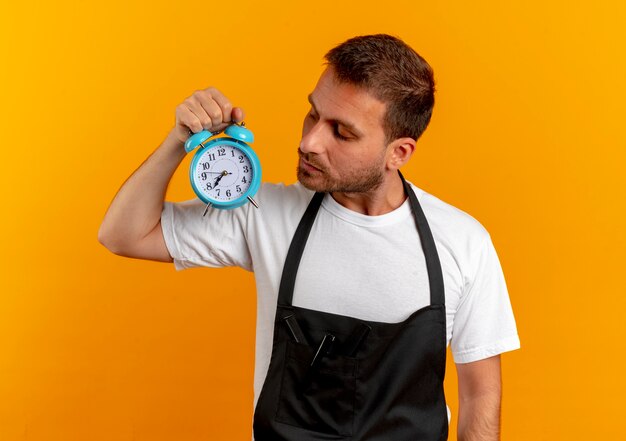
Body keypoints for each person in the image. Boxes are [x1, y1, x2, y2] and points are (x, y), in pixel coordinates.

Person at [99, 34, 520, 441]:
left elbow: (480, 394)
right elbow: (124, 235)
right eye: (313, 114)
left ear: (399, 152)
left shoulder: (464, 243)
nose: (309, 141)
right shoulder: (263, 215)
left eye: (343, 132)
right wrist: (179, 140)